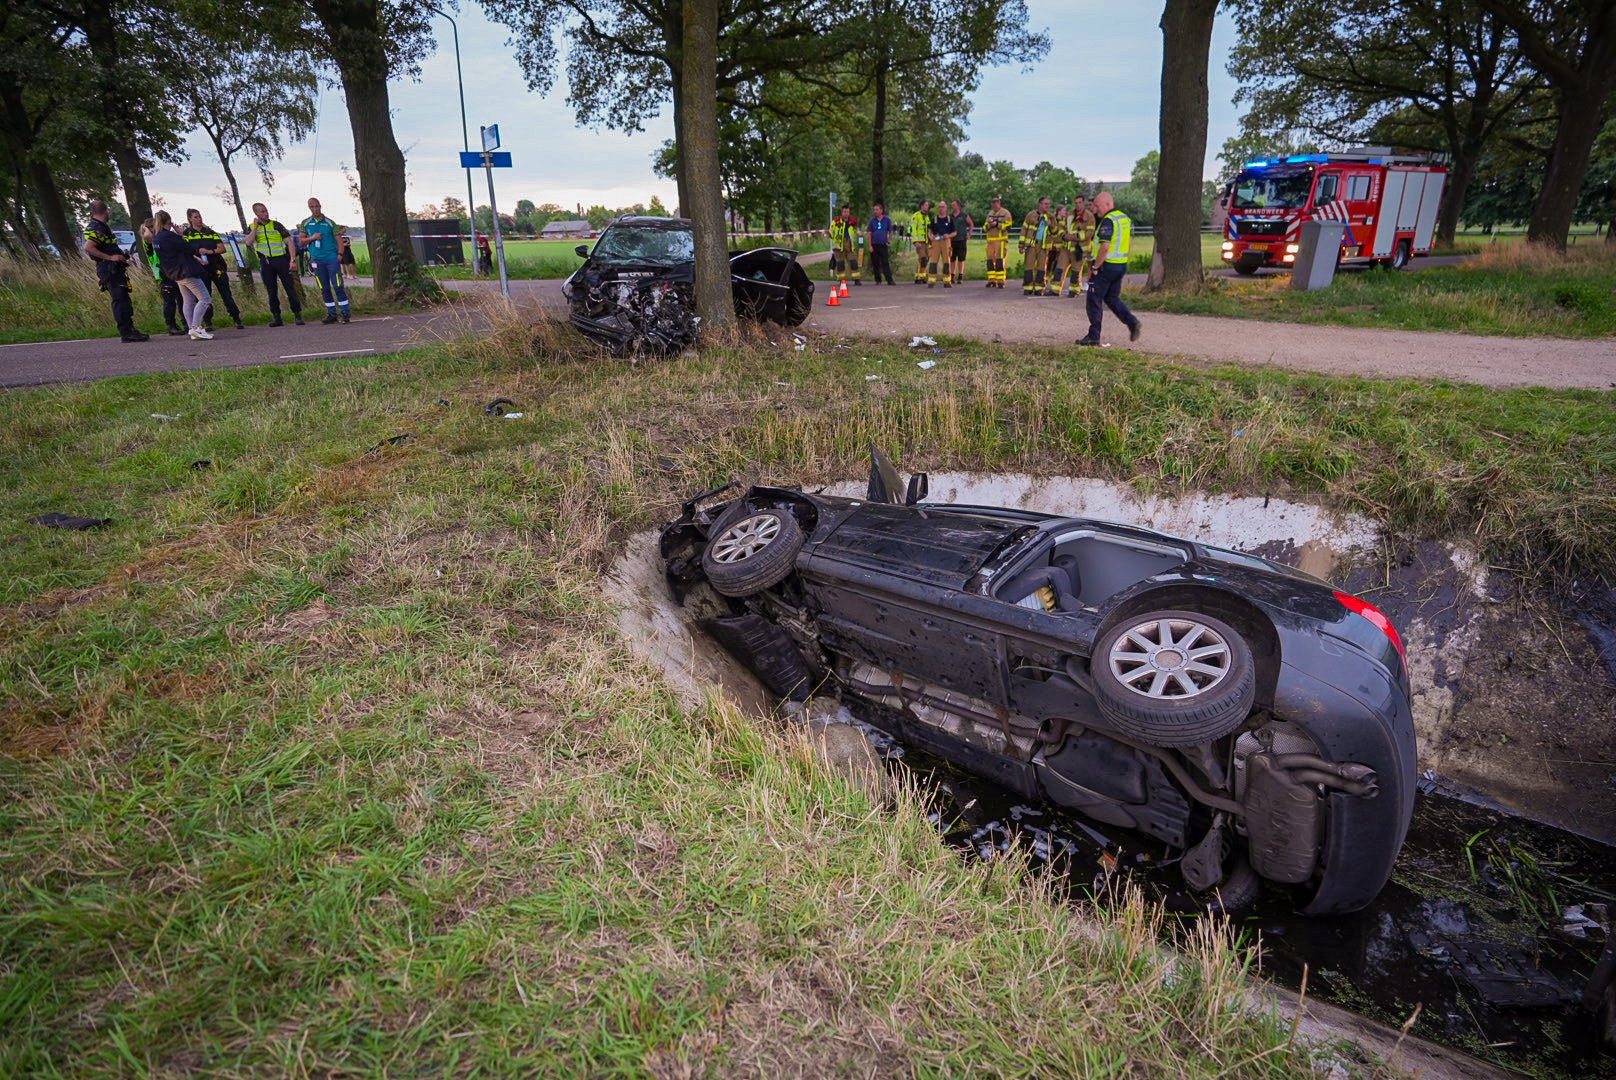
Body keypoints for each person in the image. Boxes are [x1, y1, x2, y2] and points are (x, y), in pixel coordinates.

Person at [1078, 191, 1142, 346]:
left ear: (1107, 204)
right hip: (1120, 265)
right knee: (1111, 298)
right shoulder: (1124, 218)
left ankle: (1093, 337)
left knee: (1093, 297)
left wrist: (1094, 267)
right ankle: (1132, 322)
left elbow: (1105, 247)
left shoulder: (1107, 221)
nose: (1095, 209)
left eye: (1098, 206)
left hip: (1105, 267)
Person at [82, 200, 148, 342]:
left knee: (123, 298)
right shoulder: (97, 228)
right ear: (106, 211)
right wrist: (110, 257)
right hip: (109, 269)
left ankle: (129, 329)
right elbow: (88, 247)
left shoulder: (99, 226)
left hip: (112, 268)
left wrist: (121, 256)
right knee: (120, 300)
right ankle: (126, 332)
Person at [150, 210, 213, 339]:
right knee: (205, 299)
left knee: (188, 301)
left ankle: (191, 329)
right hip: (186, 271)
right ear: (169, 221)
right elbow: (187, 247)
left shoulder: (156, 238)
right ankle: (196, 327)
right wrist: (180, 233)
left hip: (174, 274)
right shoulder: (170, 236)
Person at [182, 209, 245, 329]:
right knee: (205, 296)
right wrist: (197, 258)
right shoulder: (187, 234)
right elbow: (186, 252)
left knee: (226, 293)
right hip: (200, 269)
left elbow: (222, 248)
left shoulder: (210, 232)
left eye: (200, 216)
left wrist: (209, 251)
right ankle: (208, 321)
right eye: (196, 217)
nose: (199, 219)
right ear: (190, 219)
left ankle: (236, 318)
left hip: (216, 266)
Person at [245, 202, 304, 326]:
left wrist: (292, 259)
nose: (266, 213)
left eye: (266, 210)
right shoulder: (251, 227)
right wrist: (255, 227)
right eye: (262, 211)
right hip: (265, 262)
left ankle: (297, 314)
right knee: (271, 290)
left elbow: (290, 242)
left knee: (290, 288)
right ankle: (277, 317)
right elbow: (248, 242)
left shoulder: (276, 225)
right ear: (256, 213)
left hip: (281, 260)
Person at [297, 196, 350, 323]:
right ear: (309, 208)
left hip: (332, 259)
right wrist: (312, 238)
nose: (315, 209)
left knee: (338, 286)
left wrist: (340, 255)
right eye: (312, 207)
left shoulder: (330, 222)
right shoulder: (305, 223)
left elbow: (339, 240)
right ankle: (331, 314)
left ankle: (345, 313)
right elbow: (301, 241)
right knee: (324, 287)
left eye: (317, 206)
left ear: (320, 206)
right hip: (317, 260)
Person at [140, 220, 186, 334]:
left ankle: (186, 323)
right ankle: (171, 326)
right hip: (162, 274)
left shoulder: (160, 238)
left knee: (182, 299)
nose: (154, 229)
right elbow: (147, 236)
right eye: (151, 227)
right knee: (169, 302)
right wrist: (146, 229)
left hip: (173, 272)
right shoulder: (149, 241)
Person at [1066, 194, 1098, 297]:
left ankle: (1074, 290)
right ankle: (1073, 288)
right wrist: (1064, 236)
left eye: (1080, 202)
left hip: (1082, 247)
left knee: (1077, 269)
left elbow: (1089, 233)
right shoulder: (1071, 214)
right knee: (1070, 269)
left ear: (1083, 203)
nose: (1078, 205)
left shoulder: (1089, 216)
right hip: (1069, 246)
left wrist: (1074, 237)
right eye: (1076, 203)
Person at [1019, 196, 1052, 296]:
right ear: (1040, 204)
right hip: (1032, 245)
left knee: (1041, 267)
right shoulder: (1031, 215)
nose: (1047, 206)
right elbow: (1024, 229)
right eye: (1045, 204)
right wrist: (1021, 244)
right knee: (1029, 266)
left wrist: (1050, 224)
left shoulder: (1051, 216)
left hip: (1043, 246)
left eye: (1048, 204)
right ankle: (1028, 288)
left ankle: (1039, 288)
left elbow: (1055, 231)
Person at [981, 195, 1012, 288]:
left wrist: (997, 224)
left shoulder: (1005, 213)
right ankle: (992, 280)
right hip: (990, 241)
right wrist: (989, 226)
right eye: (993, 203)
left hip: (1001, 241)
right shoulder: (990, 213)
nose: (994, 204)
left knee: (1000, 261)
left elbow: (1009, 226)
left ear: (999, 203)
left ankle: (1001, 281)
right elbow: (984, 227)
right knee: (990, 261)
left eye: (996, 202)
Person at [926, 197, 954, 288]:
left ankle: (947, 281)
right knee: (933, 261)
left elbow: (955, 232)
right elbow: (929, 231)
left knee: (946, 261)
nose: (941, 208)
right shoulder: (934, 219)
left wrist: (948, 236)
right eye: (940, 207)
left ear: (946, 208)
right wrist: (931, 237)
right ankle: (931, 281)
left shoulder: (950, 220)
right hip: (936, 242)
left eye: (943, 207)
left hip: (946, 241)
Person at [830, 205, 861, 285]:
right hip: (839, 245)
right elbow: (830, 232)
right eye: (844, 211)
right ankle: (841, 280)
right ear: (842, 212)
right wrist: (835, 239)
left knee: (853, 262)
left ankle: (856, 279)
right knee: (840, 263)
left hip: (850, 244)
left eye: (847, 212)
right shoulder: (836, 221)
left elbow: (857, 231)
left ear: (849, 212)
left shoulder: (853, 221)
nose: (846, 213)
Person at [1045, 204, 1072, 297]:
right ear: (1059, 211)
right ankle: (1044, 285)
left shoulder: (1066, 222)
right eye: (1064, 210)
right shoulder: (1054, 221)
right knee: (1048, 268)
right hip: (1052, 248)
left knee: (1057, 269)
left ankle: (1055, 288)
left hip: (1061, 249)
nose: (1066, 212)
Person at [866, 202, 895, 285]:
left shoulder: (887, 220)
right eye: (874, 210)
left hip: (883, 244)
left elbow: (891, 231)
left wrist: (889, 240)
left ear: (881, 210)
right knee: (875, 263)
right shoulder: (872, 221)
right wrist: (870, 245)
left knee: (885, 262)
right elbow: (869, 233)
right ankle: (878, 280)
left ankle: (889, 280)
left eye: (877, 210)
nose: (875, 211)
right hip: (874, 245)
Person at [949, 199, 972, 285]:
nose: (953, 206)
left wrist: (969, 233)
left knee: (961, 258)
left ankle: (960, 275)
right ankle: (952, 275)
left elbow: (971, 224)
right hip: (952, 240)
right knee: (952, 258)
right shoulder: (950, 216)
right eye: (952, 205)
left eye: (954, 205)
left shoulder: (964, 215)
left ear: (958, 206)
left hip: (962, 239)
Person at [909, 198, 932, 284]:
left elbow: (928, 229)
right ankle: (918, 277)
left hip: (926, 242)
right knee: (922, 259)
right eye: (926, 205)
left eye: (928, 205)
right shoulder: (916, 216)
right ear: (922, 206)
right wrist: (915, 242)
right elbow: (913, 229)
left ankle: (922, 277)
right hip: (920, 242)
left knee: (925, 260)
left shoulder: (927, 216)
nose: (927, 206)